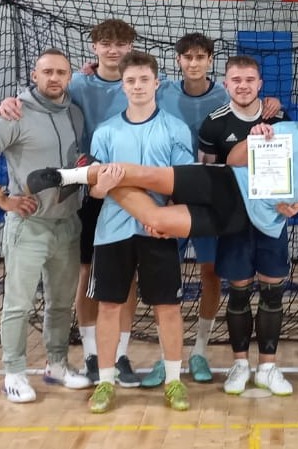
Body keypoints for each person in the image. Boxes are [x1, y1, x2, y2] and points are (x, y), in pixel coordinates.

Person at [25, 80, 298, 250]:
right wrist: (254, 140)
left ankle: (91, 171)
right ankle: (70, 174)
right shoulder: (285, 129)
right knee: (148, 175)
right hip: (225, 181)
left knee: (156, 220)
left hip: (245, 217)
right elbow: (234, 160)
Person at [0, 19, 142, 388]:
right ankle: (91, 354)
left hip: (133, 188)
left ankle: (119, 355)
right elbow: (42, 92)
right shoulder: (76, 83)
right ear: (94, 48)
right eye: (106, 43)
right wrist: (11, 101)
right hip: (86, 190)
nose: (113, 50)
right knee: (85, 272)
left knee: (128, 275)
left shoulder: (140, 80)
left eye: (121, 43)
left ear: (130, 47)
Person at [144, 33, 284, 387]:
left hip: (216, 205)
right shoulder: (161, 90)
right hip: (171, 196)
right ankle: (166, 356)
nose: (193, 63)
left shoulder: (235, 99)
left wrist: (273, 103)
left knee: (212, 274)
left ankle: (200, 350)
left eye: (200, 57)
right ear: (178, 61)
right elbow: (127, 85)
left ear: (210, 62)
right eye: (187, 57)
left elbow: (262, 120)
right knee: (166, 277)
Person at [0, 49, 91, 403]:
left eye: (61, 72)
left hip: (68, 224)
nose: (54, 78)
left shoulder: (75, 113)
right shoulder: (14, 113)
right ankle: (14, 372)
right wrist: (3, 199)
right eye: (47, 72)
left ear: (69, 77)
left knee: (61, 303)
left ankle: (57, 364)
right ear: (34, 75)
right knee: (19, 305)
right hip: (29, 226)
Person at [84, 50, 194, 414]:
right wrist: (102, 187)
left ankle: (174, 381)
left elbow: (184, 186)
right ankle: (105, 382)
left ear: (156, 83)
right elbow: (94, 191)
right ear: (123, 85)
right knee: (109, 306)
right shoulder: (105, 132)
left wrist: (162, 218)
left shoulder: (176, 129)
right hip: (112, 232)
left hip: (158, 232)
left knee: (168, 307)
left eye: (144, 80)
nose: (137, 86)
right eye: (130, 81)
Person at [197, 55, 293, 396]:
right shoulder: (214, 123)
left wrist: (293, 199)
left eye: (250, 79)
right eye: (236, 80)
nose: (243, 86)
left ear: (260, 84)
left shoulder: (279, 118)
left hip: (271, 219)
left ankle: (267, 366)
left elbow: (294, 165)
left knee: (272, 291)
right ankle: (240, 364)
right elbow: (206, 174)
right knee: (238, 291)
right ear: (226, 84)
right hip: (234, 221)